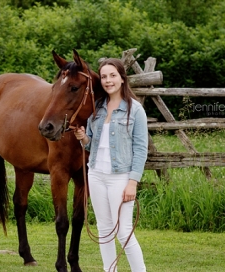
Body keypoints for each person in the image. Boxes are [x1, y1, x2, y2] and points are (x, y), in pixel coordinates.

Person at [74, 58, 148, 272]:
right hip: (96, 174)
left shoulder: (135, 110)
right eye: (104, 76)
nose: (108, 80)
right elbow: (91, 145)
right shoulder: (96, 108)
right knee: (105, 230)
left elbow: (141, 149)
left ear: (122, 79)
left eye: (112, 75)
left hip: (121, 177)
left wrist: (132, 182)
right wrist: (82, 137)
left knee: (123, 231)